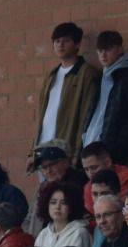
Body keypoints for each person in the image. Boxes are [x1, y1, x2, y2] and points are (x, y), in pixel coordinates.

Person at [80, 30, 128, 166]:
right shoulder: (99, 79)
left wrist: (115, 148)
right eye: (100, 51)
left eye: (108, 49)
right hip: (92, 150)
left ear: (119, 49)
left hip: (115, 155)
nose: (103, 55)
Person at [32, 22, 99, 155]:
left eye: (66, 41)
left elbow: (87, 112)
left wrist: (78, 149)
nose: (60, 45)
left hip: (67, 148)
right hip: (43, 147)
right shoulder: (51, 76)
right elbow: (41, 114)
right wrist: (32, 151)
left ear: (77, 44)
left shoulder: (87, 73)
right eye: (57, 41)